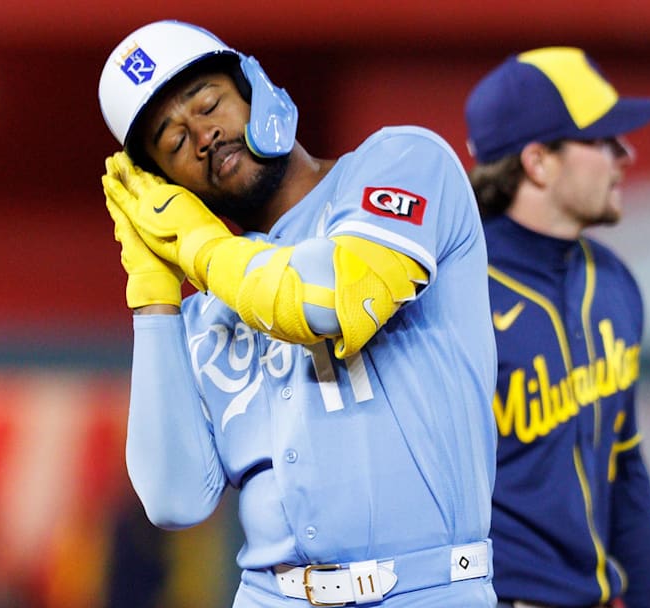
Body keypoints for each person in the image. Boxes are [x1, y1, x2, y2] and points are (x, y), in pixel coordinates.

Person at [97, 20, 498, 607]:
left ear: (255, 86)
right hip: (270, 594)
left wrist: (201, 250)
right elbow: (173, 499)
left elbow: (328, 300)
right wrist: (154, 294)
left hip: (429, 587)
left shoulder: (401, 162)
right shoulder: (204, 311)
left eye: (209, 103)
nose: (203, 135)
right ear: (167, 186)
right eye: (175, 142)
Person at [463, 47, 650, 608]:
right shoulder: (452, 292)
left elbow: (625, 468)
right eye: (602, 141)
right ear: (539, 161)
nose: (626, 154)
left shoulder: (612, 282)